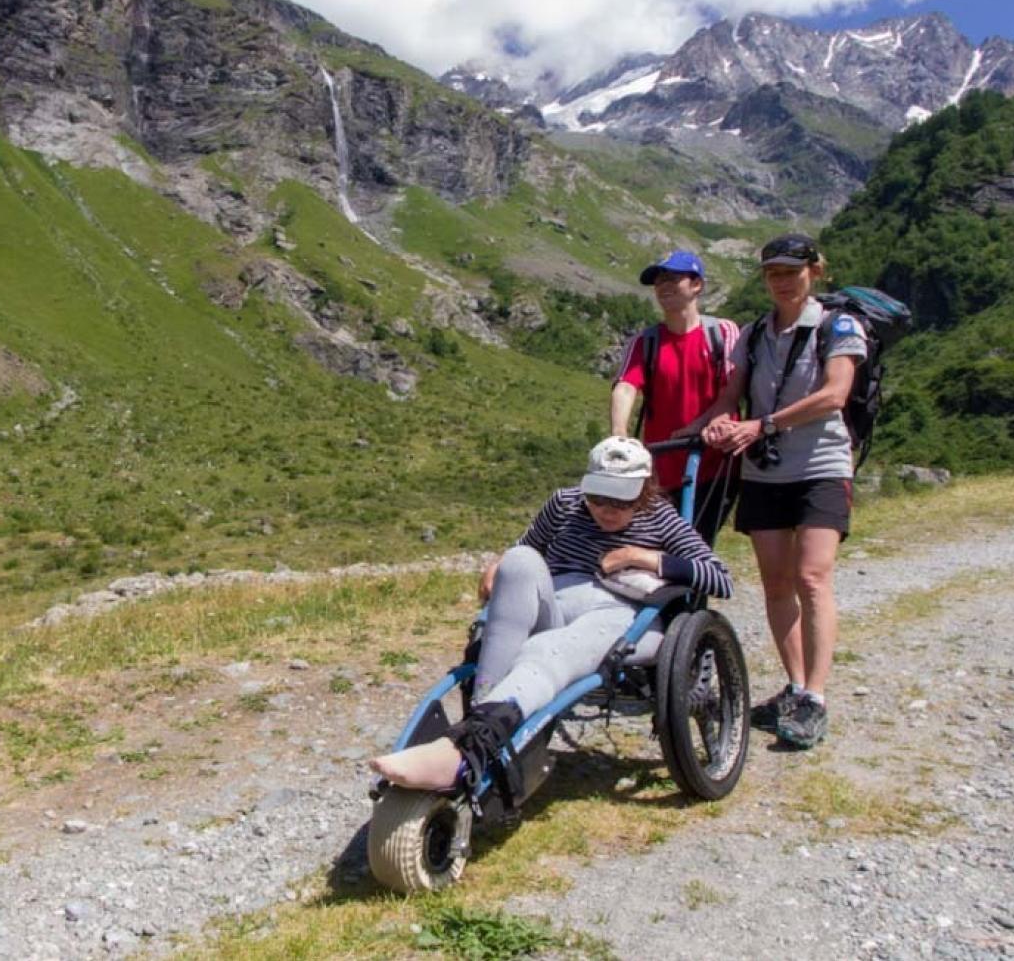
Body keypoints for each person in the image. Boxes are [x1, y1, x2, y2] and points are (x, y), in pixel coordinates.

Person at [369, 436, 732, 793]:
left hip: (620, 616)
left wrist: (640, 557)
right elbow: (527, 547)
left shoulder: (661, 518)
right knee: (520, 561)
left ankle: (471, 745)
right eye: (597, 497)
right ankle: (483, 716)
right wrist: (500, 567)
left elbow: (719, 578)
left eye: (619, 500)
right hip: (556, 604)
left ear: (642, 491)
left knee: (549, 649)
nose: (606, 509)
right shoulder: (565, 503)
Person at [687, 233, 866, 750]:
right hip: (765, 472)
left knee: (812, 578)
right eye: (773, 273)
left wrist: (760, 426)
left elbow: (834, 394)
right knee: (776, 584)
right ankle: (794, 686)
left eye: (792, 271)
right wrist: (711, 427)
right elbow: (728, 396)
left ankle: (815, 697)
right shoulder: (754, 334)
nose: (782, 281)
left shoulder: (838, 326)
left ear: (815, 272)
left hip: (821, 466)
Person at [610, 250, 740, 545]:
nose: (664, 286)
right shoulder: (646, 342)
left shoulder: (721, 332)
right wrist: (619, 435)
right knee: (660, 548)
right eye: (659, 281)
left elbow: (732, 388)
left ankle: (694, 591)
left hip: (714, 464)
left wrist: (701, 425)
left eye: (673, 278)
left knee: (693, 546)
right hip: (661, 468)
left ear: (697, 285)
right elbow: (626, 386)